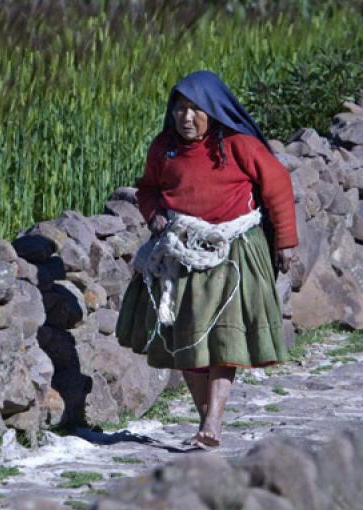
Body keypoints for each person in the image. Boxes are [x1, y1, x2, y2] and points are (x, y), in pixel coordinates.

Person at [115, 70, 298, 449]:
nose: (186, 117)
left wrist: (284, 241)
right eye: (180, 108)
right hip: (182, 251)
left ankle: (213, 418)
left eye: (196, 109)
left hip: (233, 251)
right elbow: (147, 188)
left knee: (223, 336)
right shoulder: (164, 148)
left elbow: (277, 184)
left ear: (213, 111)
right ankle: (207, 420)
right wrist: (155, 216)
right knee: (187, 338)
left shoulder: (237, 145)